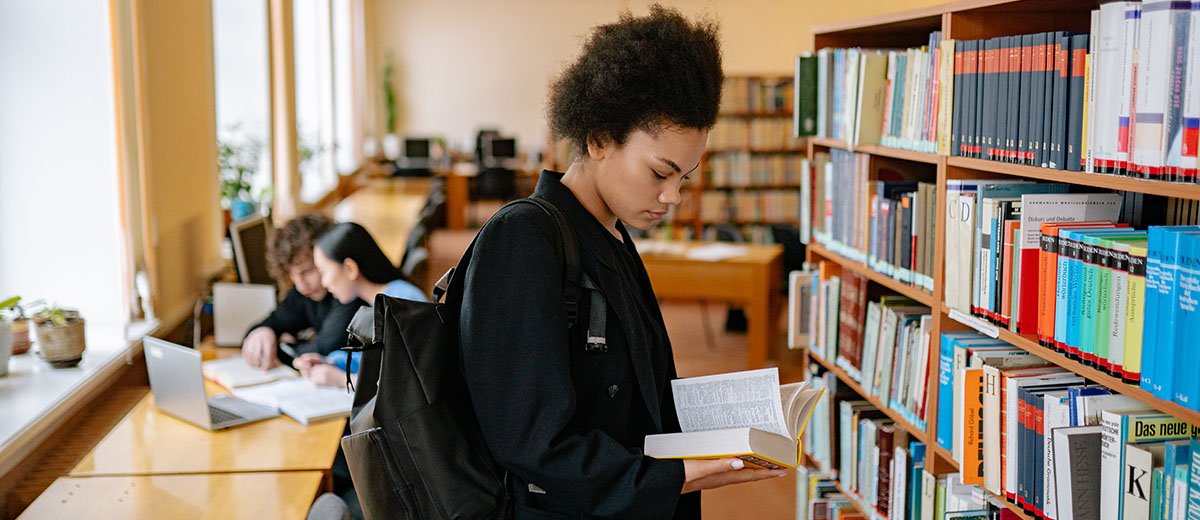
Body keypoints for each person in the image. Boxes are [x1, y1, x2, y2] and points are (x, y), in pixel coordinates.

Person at [457, 6, 784, 519]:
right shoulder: (524, 239)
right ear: (600, 139)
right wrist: (672, 477)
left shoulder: (613, 236)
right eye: (660, 172)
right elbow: (529, 442)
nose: (673, 196)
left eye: (686, 178)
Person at [297, 221, 426, 387]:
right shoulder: (378, 303)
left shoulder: (402, 301)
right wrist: (330, 362)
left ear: (350, 268)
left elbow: (404, 384)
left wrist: (341, 380)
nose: (324, 283)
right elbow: (375, 360)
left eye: (323, 272)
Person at [241, 213, 362, 370]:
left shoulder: (349, 293)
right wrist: (263, 332)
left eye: (308, 271)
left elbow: (324, 349)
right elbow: (272, 322)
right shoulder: (305, 292)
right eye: (292, 274)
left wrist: (281, 347)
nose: (300, 285)